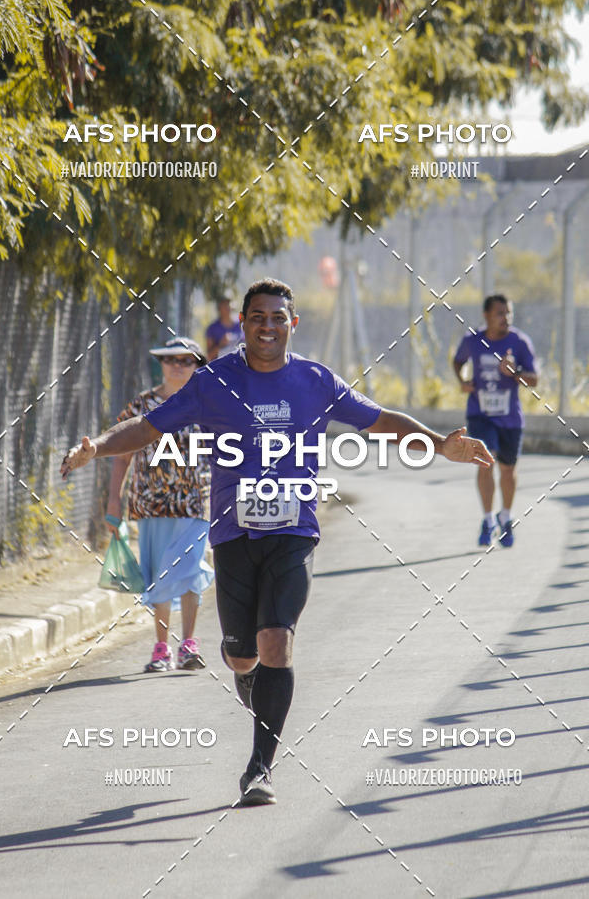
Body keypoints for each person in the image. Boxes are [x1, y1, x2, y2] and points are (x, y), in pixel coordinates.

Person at [61, 278, 493, 806]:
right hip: (233, 533)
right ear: (242, 324)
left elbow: (378, 420)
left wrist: (438, 443)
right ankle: (249, 680)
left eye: (277, 317)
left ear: (293, 323)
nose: (268, 326)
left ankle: (260, 768)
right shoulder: (213, 381)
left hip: (295, 532)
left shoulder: (315, 380)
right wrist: (99, 447)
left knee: (276, 643)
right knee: (241, 656)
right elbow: (148, 428)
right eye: (258, 317)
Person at [105, 336, 214, 672]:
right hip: (150, 505)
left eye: (186, 360)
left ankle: (190, 644)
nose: (178, 366)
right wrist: (113, 503)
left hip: (194, 503)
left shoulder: (209, 404)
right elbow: (121, 456)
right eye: (171, 360)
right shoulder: (142, 405)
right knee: (159, 575)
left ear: (197, 366)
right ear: (162, 364)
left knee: (190, 568)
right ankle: (162, 647)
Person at [453, 294, 538, 548]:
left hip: (510, 418)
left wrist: (517, 373)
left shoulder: (519, 342)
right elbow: (457, 361)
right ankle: (488, 519)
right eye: (500, 313)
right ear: (487, 315)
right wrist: (463, 382)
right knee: (486, 462)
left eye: (509, 313)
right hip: (480, 415)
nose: (506, 318)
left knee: (508, 469)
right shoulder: (473, 341)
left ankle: (505, 516)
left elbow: (534, 380)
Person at [205, 295, 243, 360]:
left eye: (229, 304)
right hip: (221, 367)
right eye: (224, 305)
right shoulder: (212, 329)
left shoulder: (241, 324)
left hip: (240, 365)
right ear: (219, 308)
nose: (228, 307)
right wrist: (221, 345)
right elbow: (209, 356)